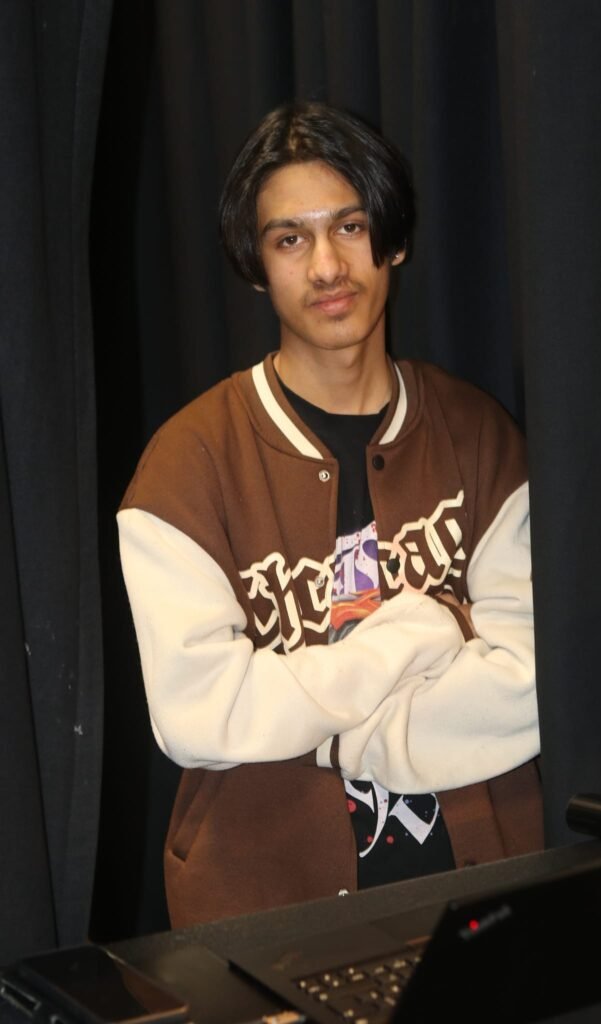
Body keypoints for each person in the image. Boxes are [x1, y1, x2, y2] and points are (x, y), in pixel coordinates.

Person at [117, 100, 543, 928]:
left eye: (349, 227)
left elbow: (533, 677)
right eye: (289, 239)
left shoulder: (476, 434)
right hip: (267, 922)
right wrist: (418, 634)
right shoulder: (186, 463)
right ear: (255, 265)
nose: (325, 267)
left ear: (393, 239)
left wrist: (345, 738)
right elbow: (198, 713)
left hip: (483, 905)